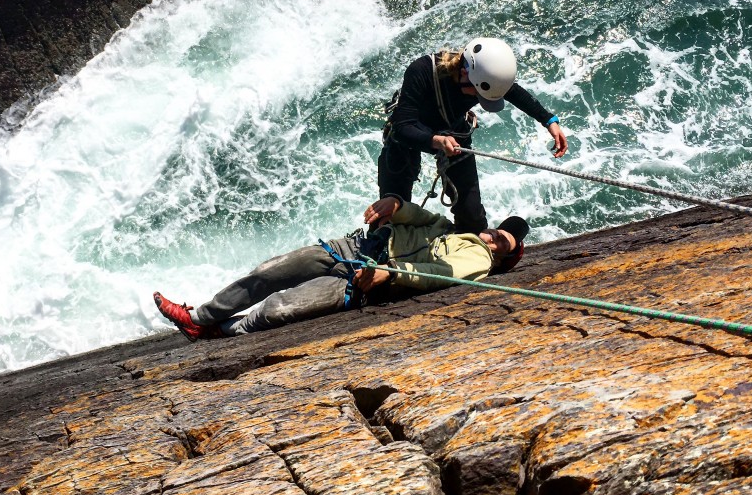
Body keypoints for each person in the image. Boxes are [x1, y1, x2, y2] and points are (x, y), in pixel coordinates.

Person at [153, 194, 529, 341]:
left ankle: (218, 331)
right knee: (271, 271)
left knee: (277, 308)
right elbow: (415, 214)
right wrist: (394, 205)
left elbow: (441, 277)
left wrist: (390, 275)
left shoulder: (478, 260)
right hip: (351, 249)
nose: (492, 239)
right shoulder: (448, 228)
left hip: (366, 280)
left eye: (501, 244)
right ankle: (199, 316)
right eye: (496, 233)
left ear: (500, 257)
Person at [379, 37, 566, 234]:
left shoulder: (485, 78)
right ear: (464, 73)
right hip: (407, 136)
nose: (478, 99)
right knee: (388, 213)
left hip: (453, 132)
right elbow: (403, 126)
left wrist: (549, 121)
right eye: (477, 94)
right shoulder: (422, 70)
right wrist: (435, 141)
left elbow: (513, 92)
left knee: (472, 219)